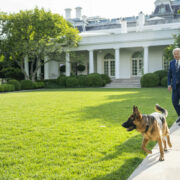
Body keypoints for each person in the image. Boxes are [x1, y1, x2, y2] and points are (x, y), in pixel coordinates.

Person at [168, 48, 180, 124]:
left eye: (177, 53)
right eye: (174, 54)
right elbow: (169, 75)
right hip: (175, 87)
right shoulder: (171, 63)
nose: (176, 55)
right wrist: (169, 84)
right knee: (174, 102)